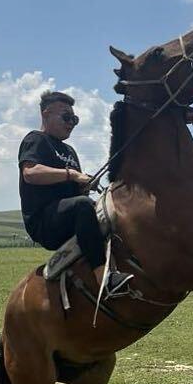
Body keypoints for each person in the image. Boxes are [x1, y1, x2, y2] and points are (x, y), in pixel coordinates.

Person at [18, 90, 132, 297]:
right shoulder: (36, 140)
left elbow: (73, 190)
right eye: (66, 117)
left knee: (107, 211)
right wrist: (72, 175)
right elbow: (30, 173)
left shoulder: (70, 151)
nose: (71, 122)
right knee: (82, 205)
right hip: (44, 221)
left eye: (75, 119)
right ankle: (104, 278)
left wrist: (84, 185)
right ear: (46, 113)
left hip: (69, 214)